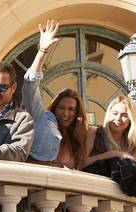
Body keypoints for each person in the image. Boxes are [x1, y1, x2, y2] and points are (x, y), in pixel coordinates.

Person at [23, 21, 88, 169]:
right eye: (61, 108)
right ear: (55, 108)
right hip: (34, 186)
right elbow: (29, 88)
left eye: (71, 109)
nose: (66, 113)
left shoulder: (78, 137)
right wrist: (42, 51)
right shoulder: (42, 119)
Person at [82, 94, 136, 197]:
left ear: (131, 119)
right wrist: (114, 154)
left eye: (124, 115)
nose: (118, 118)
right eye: (115, 113)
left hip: (123, 201)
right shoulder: (94, 132)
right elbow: (82, 163)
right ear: (109, 113)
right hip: (94, 195)